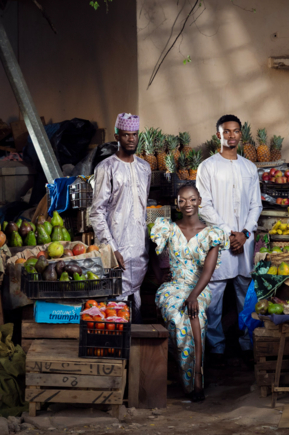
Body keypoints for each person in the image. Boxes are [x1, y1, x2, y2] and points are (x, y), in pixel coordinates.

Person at [151, 184, 229, 401]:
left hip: (199, 287)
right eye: (183, 200)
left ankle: (196, 377)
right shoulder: (167, 228)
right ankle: (186, 373)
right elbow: (151, 253)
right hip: (173, 287)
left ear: (199, 201)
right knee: (178, 317)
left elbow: (209, 270)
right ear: (177, 203)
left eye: (193, 199)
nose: (188, 204)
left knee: (196, 316)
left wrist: (194, 295)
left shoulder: (212, 234)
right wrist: (159, 278)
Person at [196, 114, 263, 365]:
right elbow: (204, 206)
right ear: (219, 135)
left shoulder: (249, 167)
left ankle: (247, 345)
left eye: (235, 131)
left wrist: (244, 233)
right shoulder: (208, 167)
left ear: (240, 135)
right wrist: (228, 233)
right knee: (214, 298)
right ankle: (216, 348)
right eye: (227, 131)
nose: (231, 135)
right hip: (219, 241)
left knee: (245, 296)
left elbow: (256, 205)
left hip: (244, 241)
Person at [89, 113, 151, 322]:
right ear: (117, 136)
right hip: (117, 244)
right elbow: (96, 212)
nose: (131, 139)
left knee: (136, 295)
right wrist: (111, 248)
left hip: (139, 245)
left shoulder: (145, 168)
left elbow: (142, 206)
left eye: (134, 134)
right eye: (126, 135)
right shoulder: (106, 168)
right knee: (116, 301)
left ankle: (135, 345)